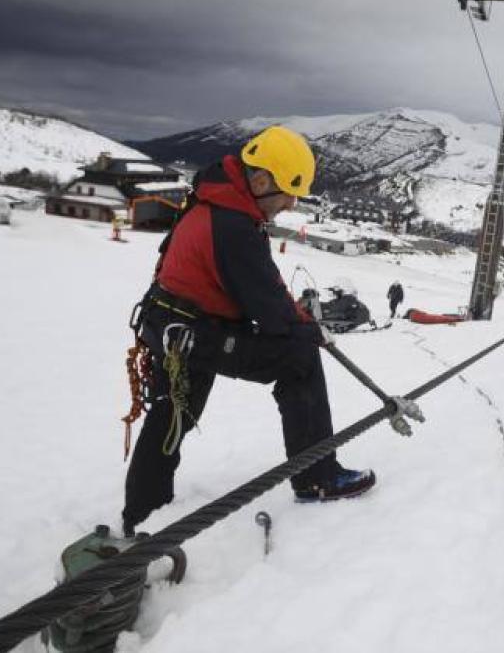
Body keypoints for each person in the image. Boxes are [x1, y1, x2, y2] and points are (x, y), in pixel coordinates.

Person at [122, 126, 375, 536]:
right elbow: (272, 311)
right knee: (299, 359)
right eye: (287, 192)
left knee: (173, 414)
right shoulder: (234, 225)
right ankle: (317, 476)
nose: (291, 203)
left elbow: (265, 289)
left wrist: (300, 322)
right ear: (259, 181)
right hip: (194, 330)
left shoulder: (216, 200)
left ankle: (143, 512)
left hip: (174, 325)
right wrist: (309, 333)